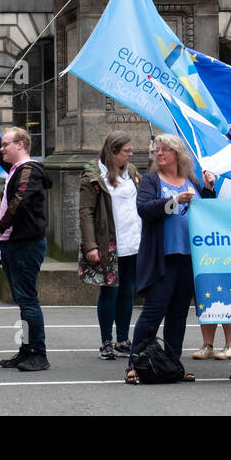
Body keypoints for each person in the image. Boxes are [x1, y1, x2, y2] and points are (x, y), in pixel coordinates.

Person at [127, 134, 215, 384]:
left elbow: (206, 213)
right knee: (153, 313)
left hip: (189, 257)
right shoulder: (150, 181)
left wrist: (208, 191)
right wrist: (173, 201)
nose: (160, 154)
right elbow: (144, 210)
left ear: (178, 153)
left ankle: (172, 365)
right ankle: (135, 364)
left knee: (178, 315)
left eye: (166, 149)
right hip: (162, 257)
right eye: (157, 150)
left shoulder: (191, 180)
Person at [0, 124, 53, 372]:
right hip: (13, 243)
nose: (1, 148)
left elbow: (19, 201)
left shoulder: (29, 170)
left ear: (21, 145)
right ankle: (26, 349)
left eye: (6, 144)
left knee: (28, 300)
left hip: (25, 243)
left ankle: (38, 352)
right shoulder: (16, 168)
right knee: (23, 300)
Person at [78, 131, 142, 360]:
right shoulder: (94, 176)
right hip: (109, 242)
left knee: (127, 291)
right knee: (109, 291)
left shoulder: (132, 172)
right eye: (126, 151)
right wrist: (90, 245)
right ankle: (106, 341)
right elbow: (86, 212)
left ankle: (123, 340)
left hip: (133, 241)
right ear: (113, 152)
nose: (130, 154)